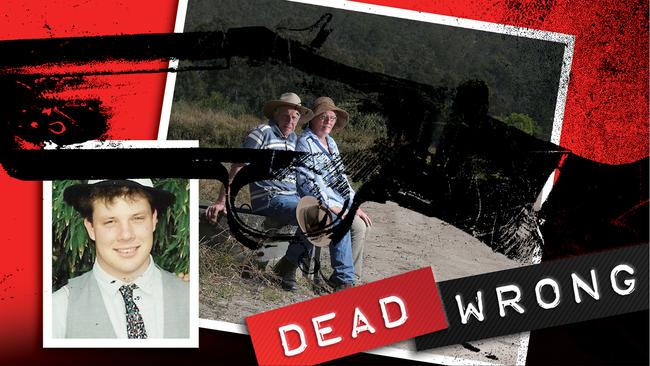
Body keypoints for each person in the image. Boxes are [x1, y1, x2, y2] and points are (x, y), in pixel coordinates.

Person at [52, 179, 189, 339]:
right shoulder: (57, 310)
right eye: (110, 222)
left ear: (153, 220)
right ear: (91, 228)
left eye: (137, 218)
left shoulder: (189, 297)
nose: (126, 235)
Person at [277, 96, 372, 291]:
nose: (329, 121)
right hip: (314, 199)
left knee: (360, 226)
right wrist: (333, 206)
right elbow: (307, 182)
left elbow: (341, 179)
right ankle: (345, 280)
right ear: (313, 119)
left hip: (335, 201)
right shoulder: (305, 143)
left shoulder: (331, 143)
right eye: (324, 116)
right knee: (339, 222)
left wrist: (354, 204)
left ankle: (348, 278)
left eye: (333, 117)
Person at [205, 92, 313, 224]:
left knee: (323, 215)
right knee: (309, 215)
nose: (290, 121)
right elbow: (239, 166)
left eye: (294, 117)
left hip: (293, 198)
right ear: (276, 114)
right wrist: (221, 201)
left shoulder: (294, 139)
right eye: (286, 116)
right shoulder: (262, 133)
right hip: (270, 198)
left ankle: (298, 245)